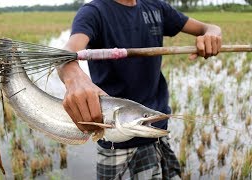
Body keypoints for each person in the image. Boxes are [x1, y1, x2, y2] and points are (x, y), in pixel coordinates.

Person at [57, 0, 222, 179]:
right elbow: (66, 53)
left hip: (153, 129)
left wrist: (212, 33)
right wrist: (73, 76)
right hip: (113, 137)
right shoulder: (94, 12)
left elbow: (208, 28)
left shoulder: (157, 7)